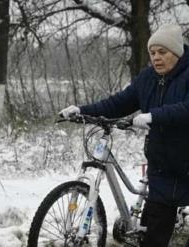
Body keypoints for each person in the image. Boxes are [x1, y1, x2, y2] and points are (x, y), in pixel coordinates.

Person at [59, 24, 189, 247]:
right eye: (153, 53)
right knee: (152, 239)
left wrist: (154, 116)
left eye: (163, 52)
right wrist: (82, 110)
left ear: (176, 52)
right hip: (162, 168)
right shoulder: (147, 78)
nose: (156, 58)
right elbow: (118, 103)